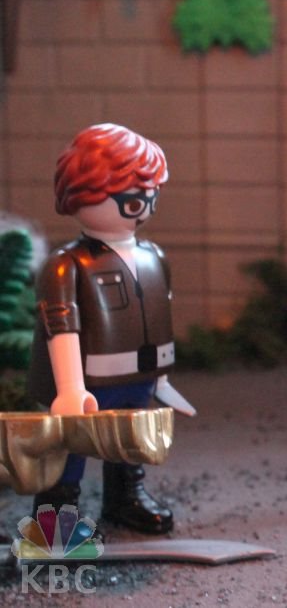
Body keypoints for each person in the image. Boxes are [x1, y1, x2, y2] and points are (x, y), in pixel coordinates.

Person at [27, 123, 175, 534]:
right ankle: (55, 517)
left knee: (129, 440)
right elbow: (61, 324)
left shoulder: (153, 256)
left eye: (151, 196)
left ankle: (126, 497)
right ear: (80, 195)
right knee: (70, 449)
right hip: (87, 382)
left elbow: (158, 313)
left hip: (139, 375)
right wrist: (70, 387)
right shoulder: (67, 265)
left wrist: (162, 379)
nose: (143, 207)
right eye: (132, 199)